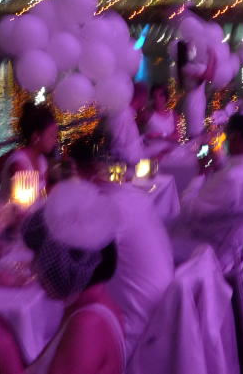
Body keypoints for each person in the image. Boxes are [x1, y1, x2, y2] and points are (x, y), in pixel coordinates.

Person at [0, 180, 124, 374]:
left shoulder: (87, 325)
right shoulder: (90, 305)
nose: (34, 268)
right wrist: (4, 329)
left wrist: (4, 351)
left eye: (40, 257)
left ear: (66, 264)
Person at [64, 129, 174, 356]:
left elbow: (72, 264)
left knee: (65, 319)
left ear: (82, 171)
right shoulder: (130, 193)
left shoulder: (106, 208)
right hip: (163, 305)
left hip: (139, 323)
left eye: (69, 170)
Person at [176, 114, 243, 268]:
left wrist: (201, 173)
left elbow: (186, 210)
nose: (226, 140)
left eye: (227, 136)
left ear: (235, 136)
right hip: (241, 236)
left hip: (211, 244)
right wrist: (219, 166)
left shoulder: (232, 179)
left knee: (160, 233)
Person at [0, 102, 58, 198]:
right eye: (52, 135)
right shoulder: (19, 164)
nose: (55, 141)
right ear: (36, 137)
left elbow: (45, 194)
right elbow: (24, 207)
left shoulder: (41, 160)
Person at [177, 41, 216, 139]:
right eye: (190, 48)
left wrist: (214, 59)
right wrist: (211, 57)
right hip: (193, 103)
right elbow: (208, 76)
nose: (193, 50)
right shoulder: (186, 68)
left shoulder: (192, 65)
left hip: (199, 100)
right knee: (195, 135)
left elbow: (210, 75)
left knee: (199, 132)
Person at [141, 83, 178, 159]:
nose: (157, 99)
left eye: (161, 96)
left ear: (165, 97)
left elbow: (177, 136)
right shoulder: (147, 114)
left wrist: (160, 135)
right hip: (153, 153)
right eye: (154, 97)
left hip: (170, 151)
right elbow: (140, 136)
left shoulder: (173, 114)